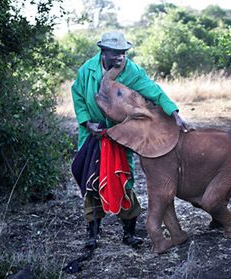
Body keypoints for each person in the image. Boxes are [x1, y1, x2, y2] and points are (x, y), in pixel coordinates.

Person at [71, 31, 188, 250]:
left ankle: (129, 233)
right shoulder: (87, 70)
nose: (120, 57)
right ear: (103, 52)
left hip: (122, 132)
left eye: (123, 52)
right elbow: (77, 95)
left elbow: (153, 90)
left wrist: (174, 113)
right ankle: (93, 234)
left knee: (123, 177)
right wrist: (87, 123)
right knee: (92, 179)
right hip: (92, 132)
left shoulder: (132, 70)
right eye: (115, 53)